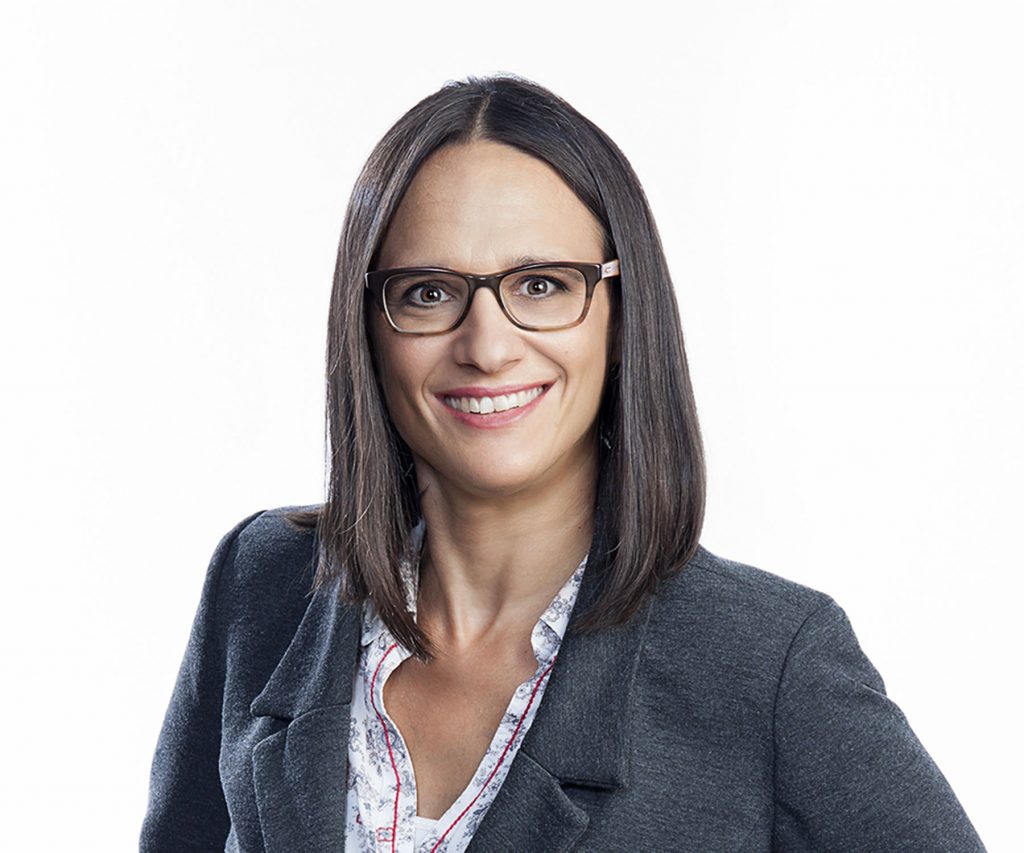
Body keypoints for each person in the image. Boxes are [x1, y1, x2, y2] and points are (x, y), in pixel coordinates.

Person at [140, 74, 985, 852]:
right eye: (428, 291)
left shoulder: (767, 661)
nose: (487, 345)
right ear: (368, 324)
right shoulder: (264, 582)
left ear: (620, 316)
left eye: (541, 284)